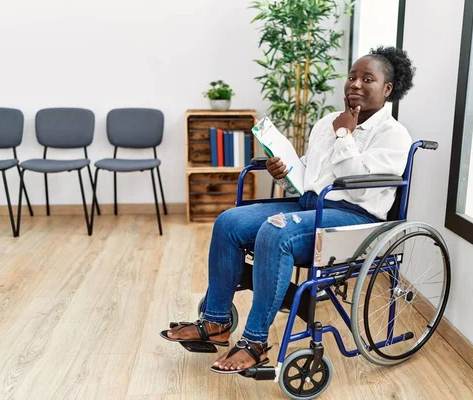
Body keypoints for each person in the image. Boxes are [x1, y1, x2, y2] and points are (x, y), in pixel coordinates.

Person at [161, 46, 416, 374]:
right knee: (228, 222)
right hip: (310, 206)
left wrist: (345, 133)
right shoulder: (327, 123)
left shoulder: (393, 135)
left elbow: (360, 185)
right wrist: (284, 173)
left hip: (354, 219)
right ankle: (216, 323)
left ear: (387, 89)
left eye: (368, 79)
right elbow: (309, 177)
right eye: (352, 76)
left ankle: (255, 342)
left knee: (276, 231)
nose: (355, 84)